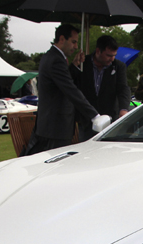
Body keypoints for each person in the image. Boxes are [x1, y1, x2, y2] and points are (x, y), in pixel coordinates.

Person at [23, 24, 110, 155]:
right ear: (62, 39)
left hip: (51, 126)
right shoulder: (56, 60)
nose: (76, 46)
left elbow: (60, 82)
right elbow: (69, 89)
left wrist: (74, 66)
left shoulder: (52, 57)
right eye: (73, 42)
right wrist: (95, 116)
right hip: (55, 128)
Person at [70, 35, 131, 141]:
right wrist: (74, 65)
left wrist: (123, 109)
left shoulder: (118, 66)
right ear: (98, 51)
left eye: (114, 55)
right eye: (108, 55)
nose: (112, 59)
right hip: (86, 121)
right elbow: (70, 83)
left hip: (110, 121)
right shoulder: (83, 63)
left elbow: (123, 88)